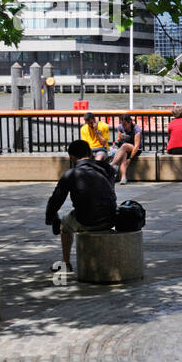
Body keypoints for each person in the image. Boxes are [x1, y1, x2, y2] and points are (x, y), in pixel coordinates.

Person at [45, 140, 118, 271]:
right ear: (90, 153)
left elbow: (56, 200)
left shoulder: (71, 174)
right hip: (111, 218)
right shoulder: (105, 169)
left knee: (65, 224)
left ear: (72, 157)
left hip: (87, 221)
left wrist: (50, 218)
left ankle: (65, 263)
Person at [109, 114, 143, 184]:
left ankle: (112, 164)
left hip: (135, 149)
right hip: (124, 149)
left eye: (125, 124)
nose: (123, 126)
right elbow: (118, 139)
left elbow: (137, 146)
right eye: (122, 124)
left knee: (124, 146)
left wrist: (130, 159)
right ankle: (123, 178)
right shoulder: (120, 127)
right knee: (123, 155)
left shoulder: (136, 130)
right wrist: (120, 138)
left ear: (130, 122)